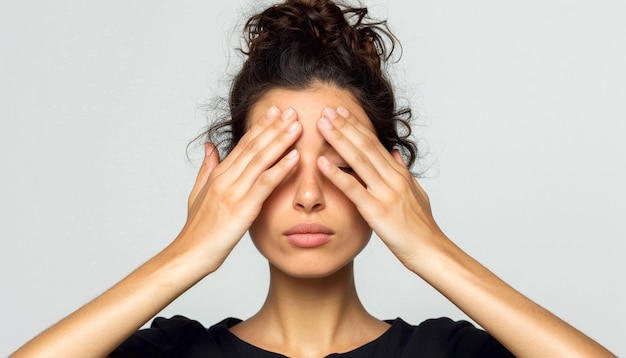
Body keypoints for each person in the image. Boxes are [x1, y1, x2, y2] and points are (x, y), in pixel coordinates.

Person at [11, 0, 616, 357]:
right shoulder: (172, 352)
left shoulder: (452, 352)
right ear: (230, 183)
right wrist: (186, 255)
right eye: (274, 164)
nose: (307, 196)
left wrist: (431, 248)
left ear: (391, 181)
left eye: (343, 164)